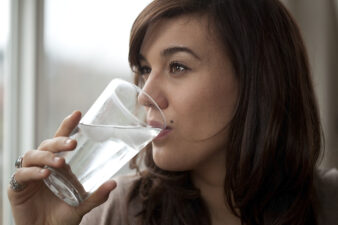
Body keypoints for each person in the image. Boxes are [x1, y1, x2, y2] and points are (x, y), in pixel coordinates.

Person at [8, 0, 338, 224]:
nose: (146, 95)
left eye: (177, 66)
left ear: (258, 79)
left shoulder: (330, 205)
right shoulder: (117, 213)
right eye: (143, 68)